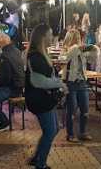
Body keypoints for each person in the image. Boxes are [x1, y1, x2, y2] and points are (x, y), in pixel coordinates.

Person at [25, 24, 66, 169]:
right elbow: (39, 81)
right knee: (50, 132)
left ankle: (37, 158)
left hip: (45, 99)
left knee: (53, 130)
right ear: (43, 37)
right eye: (50, 34)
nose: (52, 36)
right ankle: (40, 164)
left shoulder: (39, 54)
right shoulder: (36, 56)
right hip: (40, 100)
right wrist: (60, 84)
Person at [61, 29, 93, 142]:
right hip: (71, 83)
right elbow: (63, 60)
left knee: (85, 109)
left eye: (78, 37)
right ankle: (70, 134)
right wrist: (76, 48)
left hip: (82, 82)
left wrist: (93, 48)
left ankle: (83, 132)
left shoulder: (81, 50)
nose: (78, 39)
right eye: (76, 37)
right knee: (72, 109)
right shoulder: (66, 50)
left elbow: (94, 55)